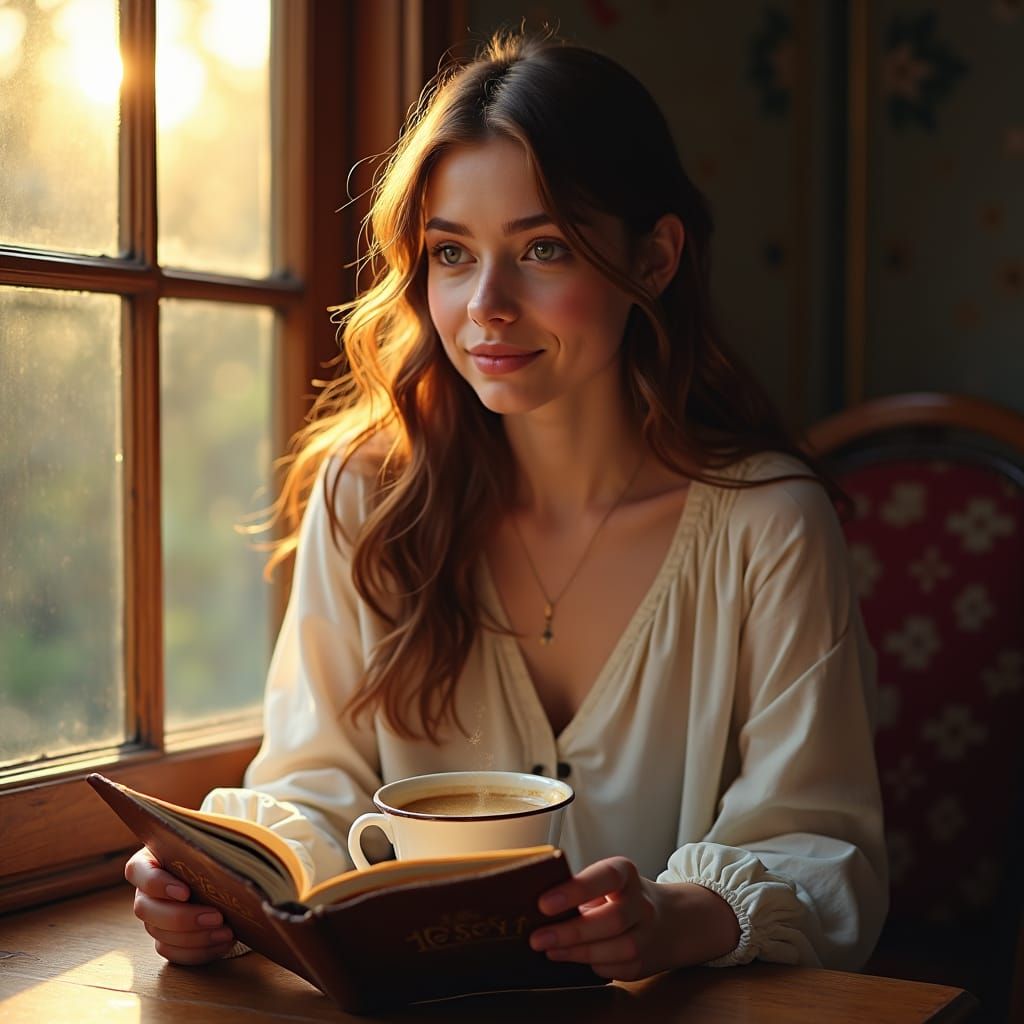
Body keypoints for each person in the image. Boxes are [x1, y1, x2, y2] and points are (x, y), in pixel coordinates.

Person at [126, 30, 887, 981]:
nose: (486, 304)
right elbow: (314, 786)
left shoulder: (769, 525)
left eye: (543, 247)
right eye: (451, 252)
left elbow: (821, 845)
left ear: (653, 259)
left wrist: (683, 918)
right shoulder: (368, 500)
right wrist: (222, 892)